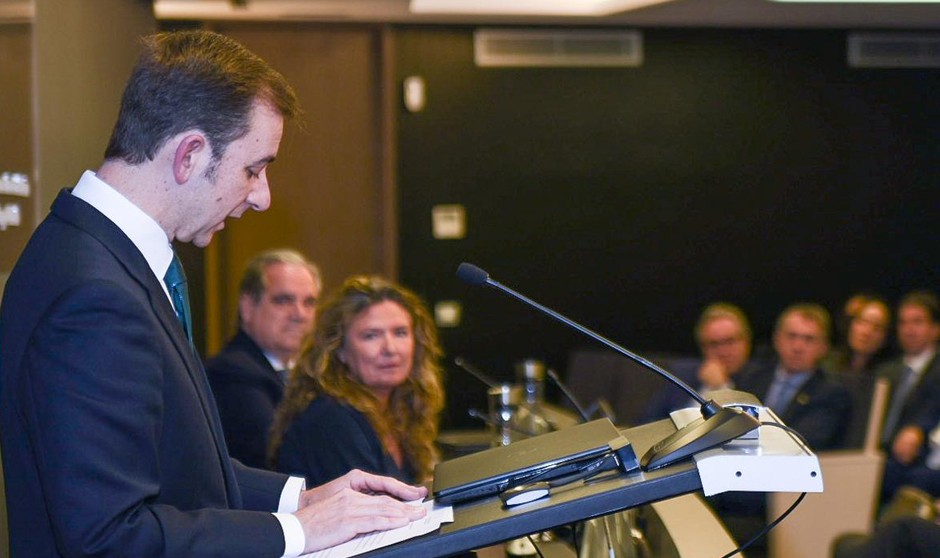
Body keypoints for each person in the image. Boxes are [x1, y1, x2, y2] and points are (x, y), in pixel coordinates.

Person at [0, 30, 425, 558]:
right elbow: (110, 539)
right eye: (254, 169)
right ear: (191, 155)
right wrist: (302, 533)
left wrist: (305, 498)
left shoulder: (98, 254)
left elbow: (177, 471)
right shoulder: (93, 294)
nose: (262, 197)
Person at [268, 275, 445, 487]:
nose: (390, 348)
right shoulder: (332, 417)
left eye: (400, 333)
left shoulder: (401, 410)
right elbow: (374, 512)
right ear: (339, 350)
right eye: (371, 336)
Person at [206, 248, 322, 469]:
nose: (300, 314)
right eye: (284, 300)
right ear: (248, 307)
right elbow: (277, 456)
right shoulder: (232, 372)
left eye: (309, 302)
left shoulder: (315, 374)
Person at [643, 302, 761, 422]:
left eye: (730, 341)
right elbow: (647, 423)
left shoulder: (764, 378)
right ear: (702, 348)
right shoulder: (683, 375)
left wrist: (722, 387)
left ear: (747, 341)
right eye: (713, 344)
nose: (723, 351)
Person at [877, 290, 940, 504]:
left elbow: (934, 406)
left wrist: (919, 429)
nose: (909, 330)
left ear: (935, 329)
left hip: (922, 460)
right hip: (878, 455)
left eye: (918, 322)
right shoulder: (886, 371)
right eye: (903, 323)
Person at [824, 293, 892, 376]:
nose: (866, 332)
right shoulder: (825, 363)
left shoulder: (887, 375)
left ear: (885, 338)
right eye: (863, 321)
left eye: (877, 327)